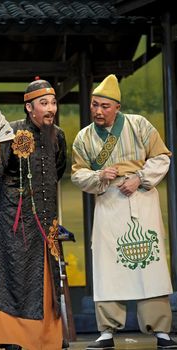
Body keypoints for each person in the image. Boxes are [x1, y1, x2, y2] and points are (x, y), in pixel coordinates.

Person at [71, 74, 177, 350]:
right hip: (108, 202)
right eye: (95, 105)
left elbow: (162, 156)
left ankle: (161, 330)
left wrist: (139, 178)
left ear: (117, 107)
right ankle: (107, 330)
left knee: (149, 264)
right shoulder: (84, 138)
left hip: (141, 198)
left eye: (105, 106)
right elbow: (78, 175)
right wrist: (98, 175)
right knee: (108, 266)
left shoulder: (138, 125)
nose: (98, 111)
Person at [0, 79, 68, 350]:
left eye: (53, 102)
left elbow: (59, 169)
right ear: (29, 107)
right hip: (15, 220)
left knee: (46, 279)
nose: (50, 108)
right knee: (14, 277)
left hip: (45, 219)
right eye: (44, 103)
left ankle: (47, 338)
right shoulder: (13, 132)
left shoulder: (58, 135)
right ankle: (11, 337)